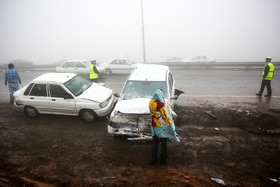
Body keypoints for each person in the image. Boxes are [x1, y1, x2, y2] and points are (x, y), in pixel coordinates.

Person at [149, 89, 180, 165]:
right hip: (163, 128)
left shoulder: (151, 103)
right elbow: (167, 116)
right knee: (163, 144)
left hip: (154, 127)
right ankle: (163, 161)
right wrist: (171, 125)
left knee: (154, 144)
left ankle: (153, 160)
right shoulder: (162, 105)